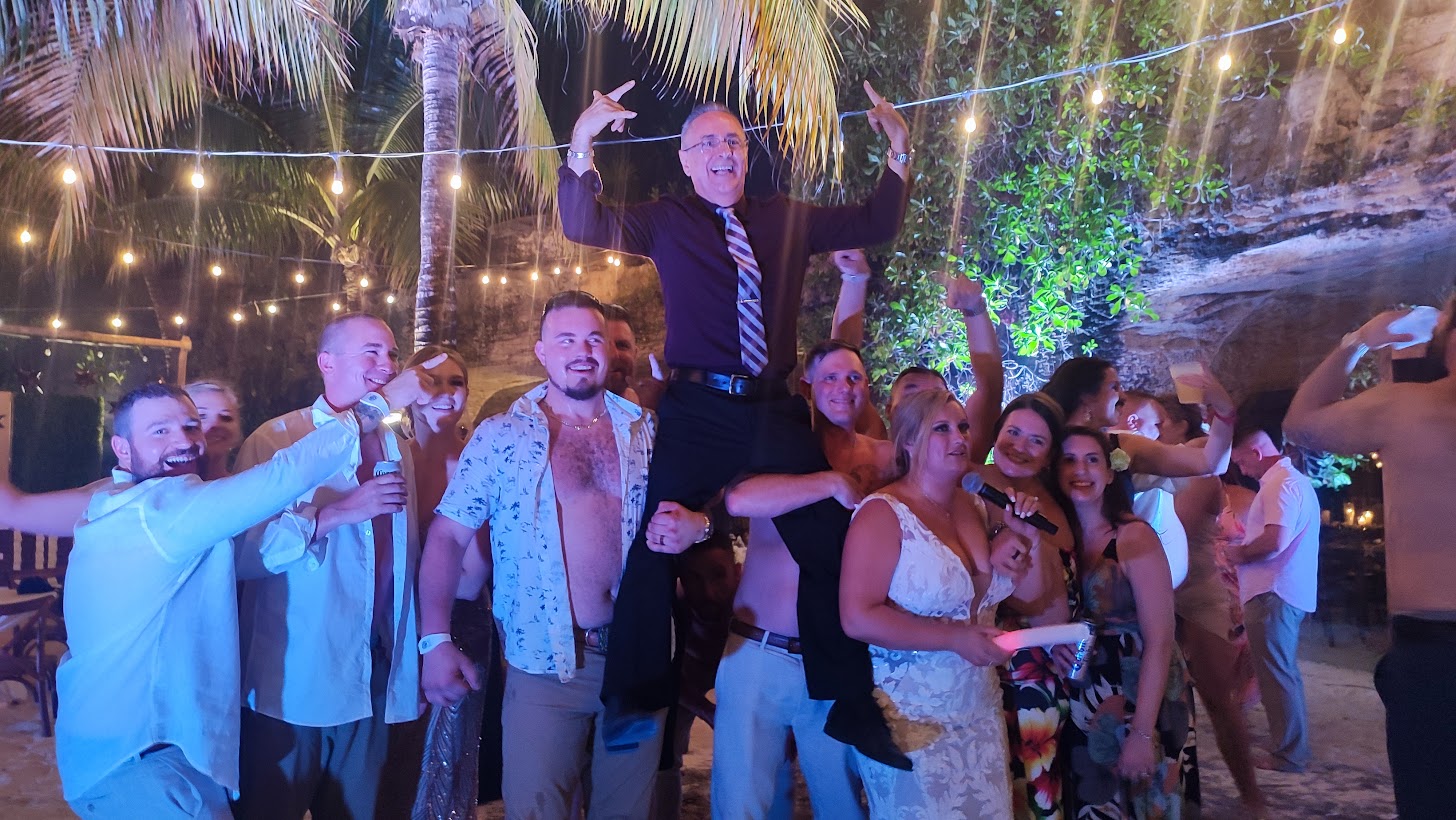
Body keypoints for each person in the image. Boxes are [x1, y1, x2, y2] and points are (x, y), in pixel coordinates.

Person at [558, 79, 913, 762]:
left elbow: (875, 221)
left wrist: (898, 150)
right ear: (686, 161)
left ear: (746, 156)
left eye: (733, 141)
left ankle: (850, 702)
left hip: (774, 405)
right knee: (657, 536)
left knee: (829, 538)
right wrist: (582, 140)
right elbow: (583, 222)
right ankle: (631, 697)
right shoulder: (667, 220)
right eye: (707, 144)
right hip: (698, 407)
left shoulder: (786, 218)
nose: (723, 151)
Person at [0, 366, 440, 819]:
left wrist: (335, 515)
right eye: (160, 430)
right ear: (122, 449)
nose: (185, 439)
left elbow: (245, 557)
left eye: (191, 426)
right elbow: (283, 475)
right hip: (144, 760)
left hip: (153, 756)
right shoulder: (159, 508)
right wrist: (380, 403)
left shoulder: (160, 507)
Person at [417, 291, 701, 818]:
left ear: (609, 350)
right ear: (541, 352)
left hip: (639, 655)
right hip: (545, 664)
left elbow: (702, 504)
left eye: (593, 339)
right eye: (565, 340)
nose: (582, 351)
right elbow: (447, 537)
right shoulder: (503, 435)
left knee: (626, 813)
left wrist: (698, 526)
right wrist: (434, 640)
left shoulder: (646, 431)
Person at [232, 313, 426, 820]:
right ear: (327, 362)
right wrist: (336, 514)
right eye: (371, 352)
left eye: (391, 353)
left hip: (373, 674)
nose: (387, 364)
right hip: (293, 681)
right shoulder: (276, 439)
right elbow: (245, 556)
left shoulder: (396, 445)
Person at [1282, 301, 1453, 817]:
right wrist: (1359, 342)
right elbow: (1301, 425)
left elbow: (1300, 424)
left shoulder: (1406, 407)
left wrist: (1358, 341)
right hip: (1432, 648)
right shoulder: (1405, 407)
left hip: (1433, 650)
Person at [712, 340, 894, 819]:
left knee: (842, 805)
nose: (843, 387)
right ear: (808, 386)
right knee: (742, 806)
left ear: (867, 387)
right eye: (830, 377)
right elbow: (740, 499)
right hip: (759, 650)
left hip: (834, 655)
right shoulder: (782, 448)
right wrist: (830, 483)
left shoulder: (884, 459)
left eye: (853, 377)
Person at [840, 388, 1041, 817]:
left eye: (963, 427)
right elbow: (856, 617)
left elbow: (1027, 597)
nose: (959, 438)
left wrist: (1023, 538)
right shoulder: (882, 513)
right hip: (913, 719)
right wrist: (952, 638)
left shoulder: (978, 506)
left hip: (979, 713)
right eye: (942, 429)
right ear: (909, 441)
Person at [1057, 427, 1199, 818]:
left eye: (1092, 460)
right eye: (1069, 460)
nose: (1080, 470)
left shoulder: (1134, 537)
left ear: (1109, 473)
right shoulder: (1059, 540)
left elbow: (1161, 639)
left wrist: (1141, 732)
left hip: (1143, 687)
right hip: (1087, 690)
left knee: (1146, 800)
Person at [396, 345, 501, 820]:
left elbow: (483, 566)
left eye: (454, 382)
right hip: (395, 625)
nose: (443, 392)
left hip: (464, 624)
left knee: (448, 768)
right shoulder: (389, 457)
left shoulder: (482, 461)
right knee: (392, 765)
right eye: (430, 380)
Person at [1156, 397, 1266, 815]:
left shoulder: (1201, 474)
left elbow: (1171, 531)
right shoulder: (1151, 470)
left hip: (1196, 594)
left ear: (1182, 428)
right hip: (1155, 592)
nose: (1151, 433)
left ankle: (1251, 795)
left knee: (1220, 700)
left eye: (1160, 424)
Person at [974, 393, 1077, 820]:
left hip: (1053, 668)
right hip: (997, 662)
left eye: (1036, 441)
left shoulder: (1060, 499)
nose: (1019, 446)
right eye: (1012, 432)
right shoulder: (970, 486)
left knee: (1044, 784)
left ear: (1050, 455)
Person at [1225, 420, 1320, 774]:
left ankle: (1288, 754)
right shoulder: (1291, 482)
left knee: (1276, 675)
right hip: (1280, 591)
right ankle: (1290, 746)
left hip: (1273, 592)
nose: (1241, 469)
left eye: (1241, 460)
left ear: (1256, 451)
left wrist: (1238, 553)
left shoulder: (1280, 485)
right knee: (1280, 672)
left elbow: (1274, 540)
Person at [184, 379, 243, 479]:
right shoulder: (164, 486)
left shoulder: (248, 485)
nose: (215, 424)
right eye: (201, 416)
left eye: (225, 417)